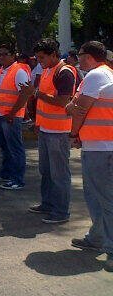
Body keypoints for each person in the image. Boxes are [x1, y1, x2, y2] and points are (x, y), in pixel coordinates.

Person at [65, 41, 113, 272]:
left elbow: (79, 109)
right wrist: (72, 106)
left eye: (80, 55)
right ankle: (96, 237)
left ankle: (110, 248)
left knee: (104, 198)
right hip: (100, 144)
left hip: (99, 147)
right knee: (97, 196)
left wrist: (74, 133)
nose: (78, 58)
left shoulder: (94, 76)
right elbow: (76, 106)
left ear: (90, 56)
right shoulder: (106, 74)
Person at [19, 38, 77, 224]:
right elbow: (46, 101)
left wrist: (34, 93)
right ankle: (48, 203)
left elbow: (62, 101)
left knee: (59, 173)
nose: (39, 60)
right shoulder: (48, 70)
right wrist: (38, 122)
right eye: (37, 57)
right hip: (46, 129)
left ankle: (61, 212)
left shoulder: (64, 72)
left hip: (58, 131)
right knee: (46, 170)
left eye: (42, 57)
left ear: (54, 54)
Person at [0, 44, 31, 190]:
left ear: (13, 55)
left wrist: (12, 113)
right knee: (5, 146)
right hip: (0, 114)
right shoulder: (1, 71)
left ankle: (17, 179)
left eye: (5, 54)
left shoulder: (18, 71)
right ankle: (5, 173)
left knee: (15, 147)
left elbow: (25, 93)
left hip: (11, 116)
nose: (1, 57)